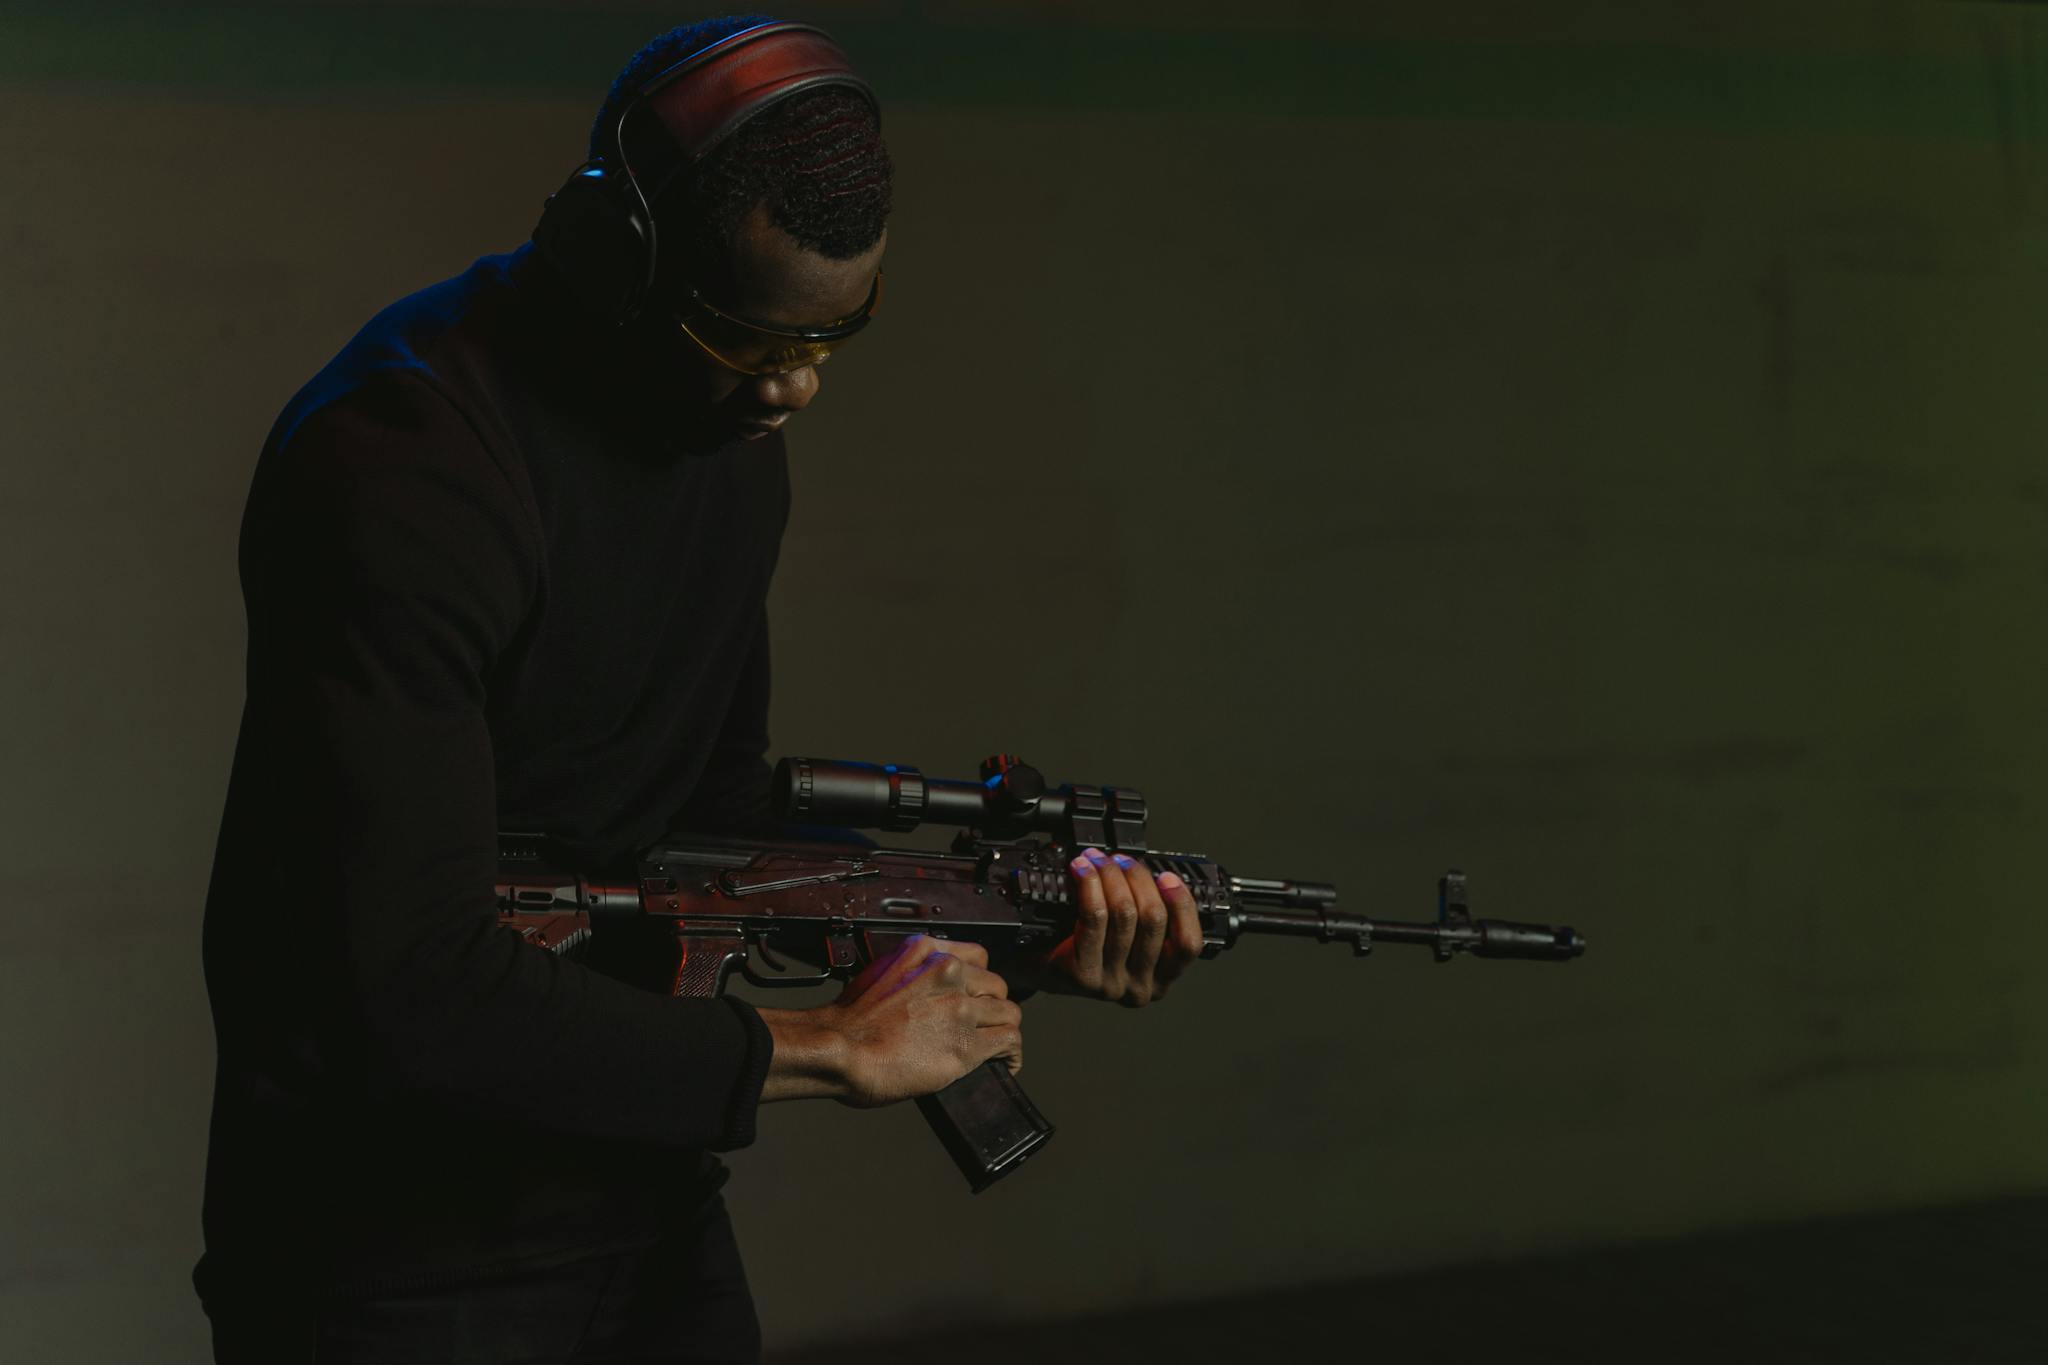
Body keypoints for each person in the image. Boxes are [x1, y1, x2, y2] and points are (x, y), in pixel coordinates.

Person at [195, 15, 1204, 1363]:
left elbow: (710, 817)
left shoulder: (730, 443)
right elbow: (407, 979)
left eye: (834, 333)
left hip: (639, 1202)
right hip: (385, 1252)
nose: (794, 386)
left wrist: (1003, 930)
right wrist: (832, 1043)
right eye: (744, 334)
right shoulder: (404, 465)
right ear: (615, 254)